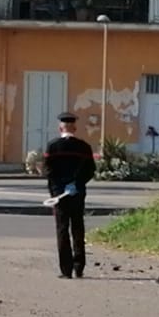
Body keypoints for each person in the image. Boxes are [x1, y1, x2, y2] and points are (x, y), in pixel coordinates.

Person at [43, 112, 97, 278]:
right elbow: (90, 170)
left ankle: (66, 270)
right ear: (74, 128)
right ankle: (79, 266)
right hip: (77, 193)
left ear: (60, 128)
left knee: (62, 229)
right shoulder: (84, 147)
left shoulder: (53, 147)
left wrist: (58, 190)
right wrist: (77, 184)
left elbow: (48, 171)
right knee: (78, 227)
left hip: (59, 195)